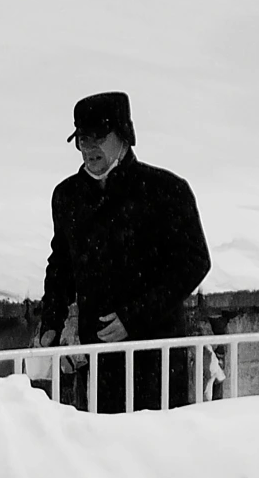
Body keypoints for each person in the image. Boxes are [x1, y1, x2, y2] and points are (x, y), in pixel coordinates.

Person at [36, 92, 211, 412]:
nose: (89, 149)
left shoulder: (165, 190)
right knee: (105, 451)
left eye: (99, 137)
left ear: (124, 135)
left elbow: (195, 261)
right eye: (82, 139)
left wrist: (134, 316)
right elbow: (61, 263)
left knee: (157, 449)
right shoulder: (67, 196)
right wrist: (51, 319)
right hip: (100, 355)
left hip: (157, 350)